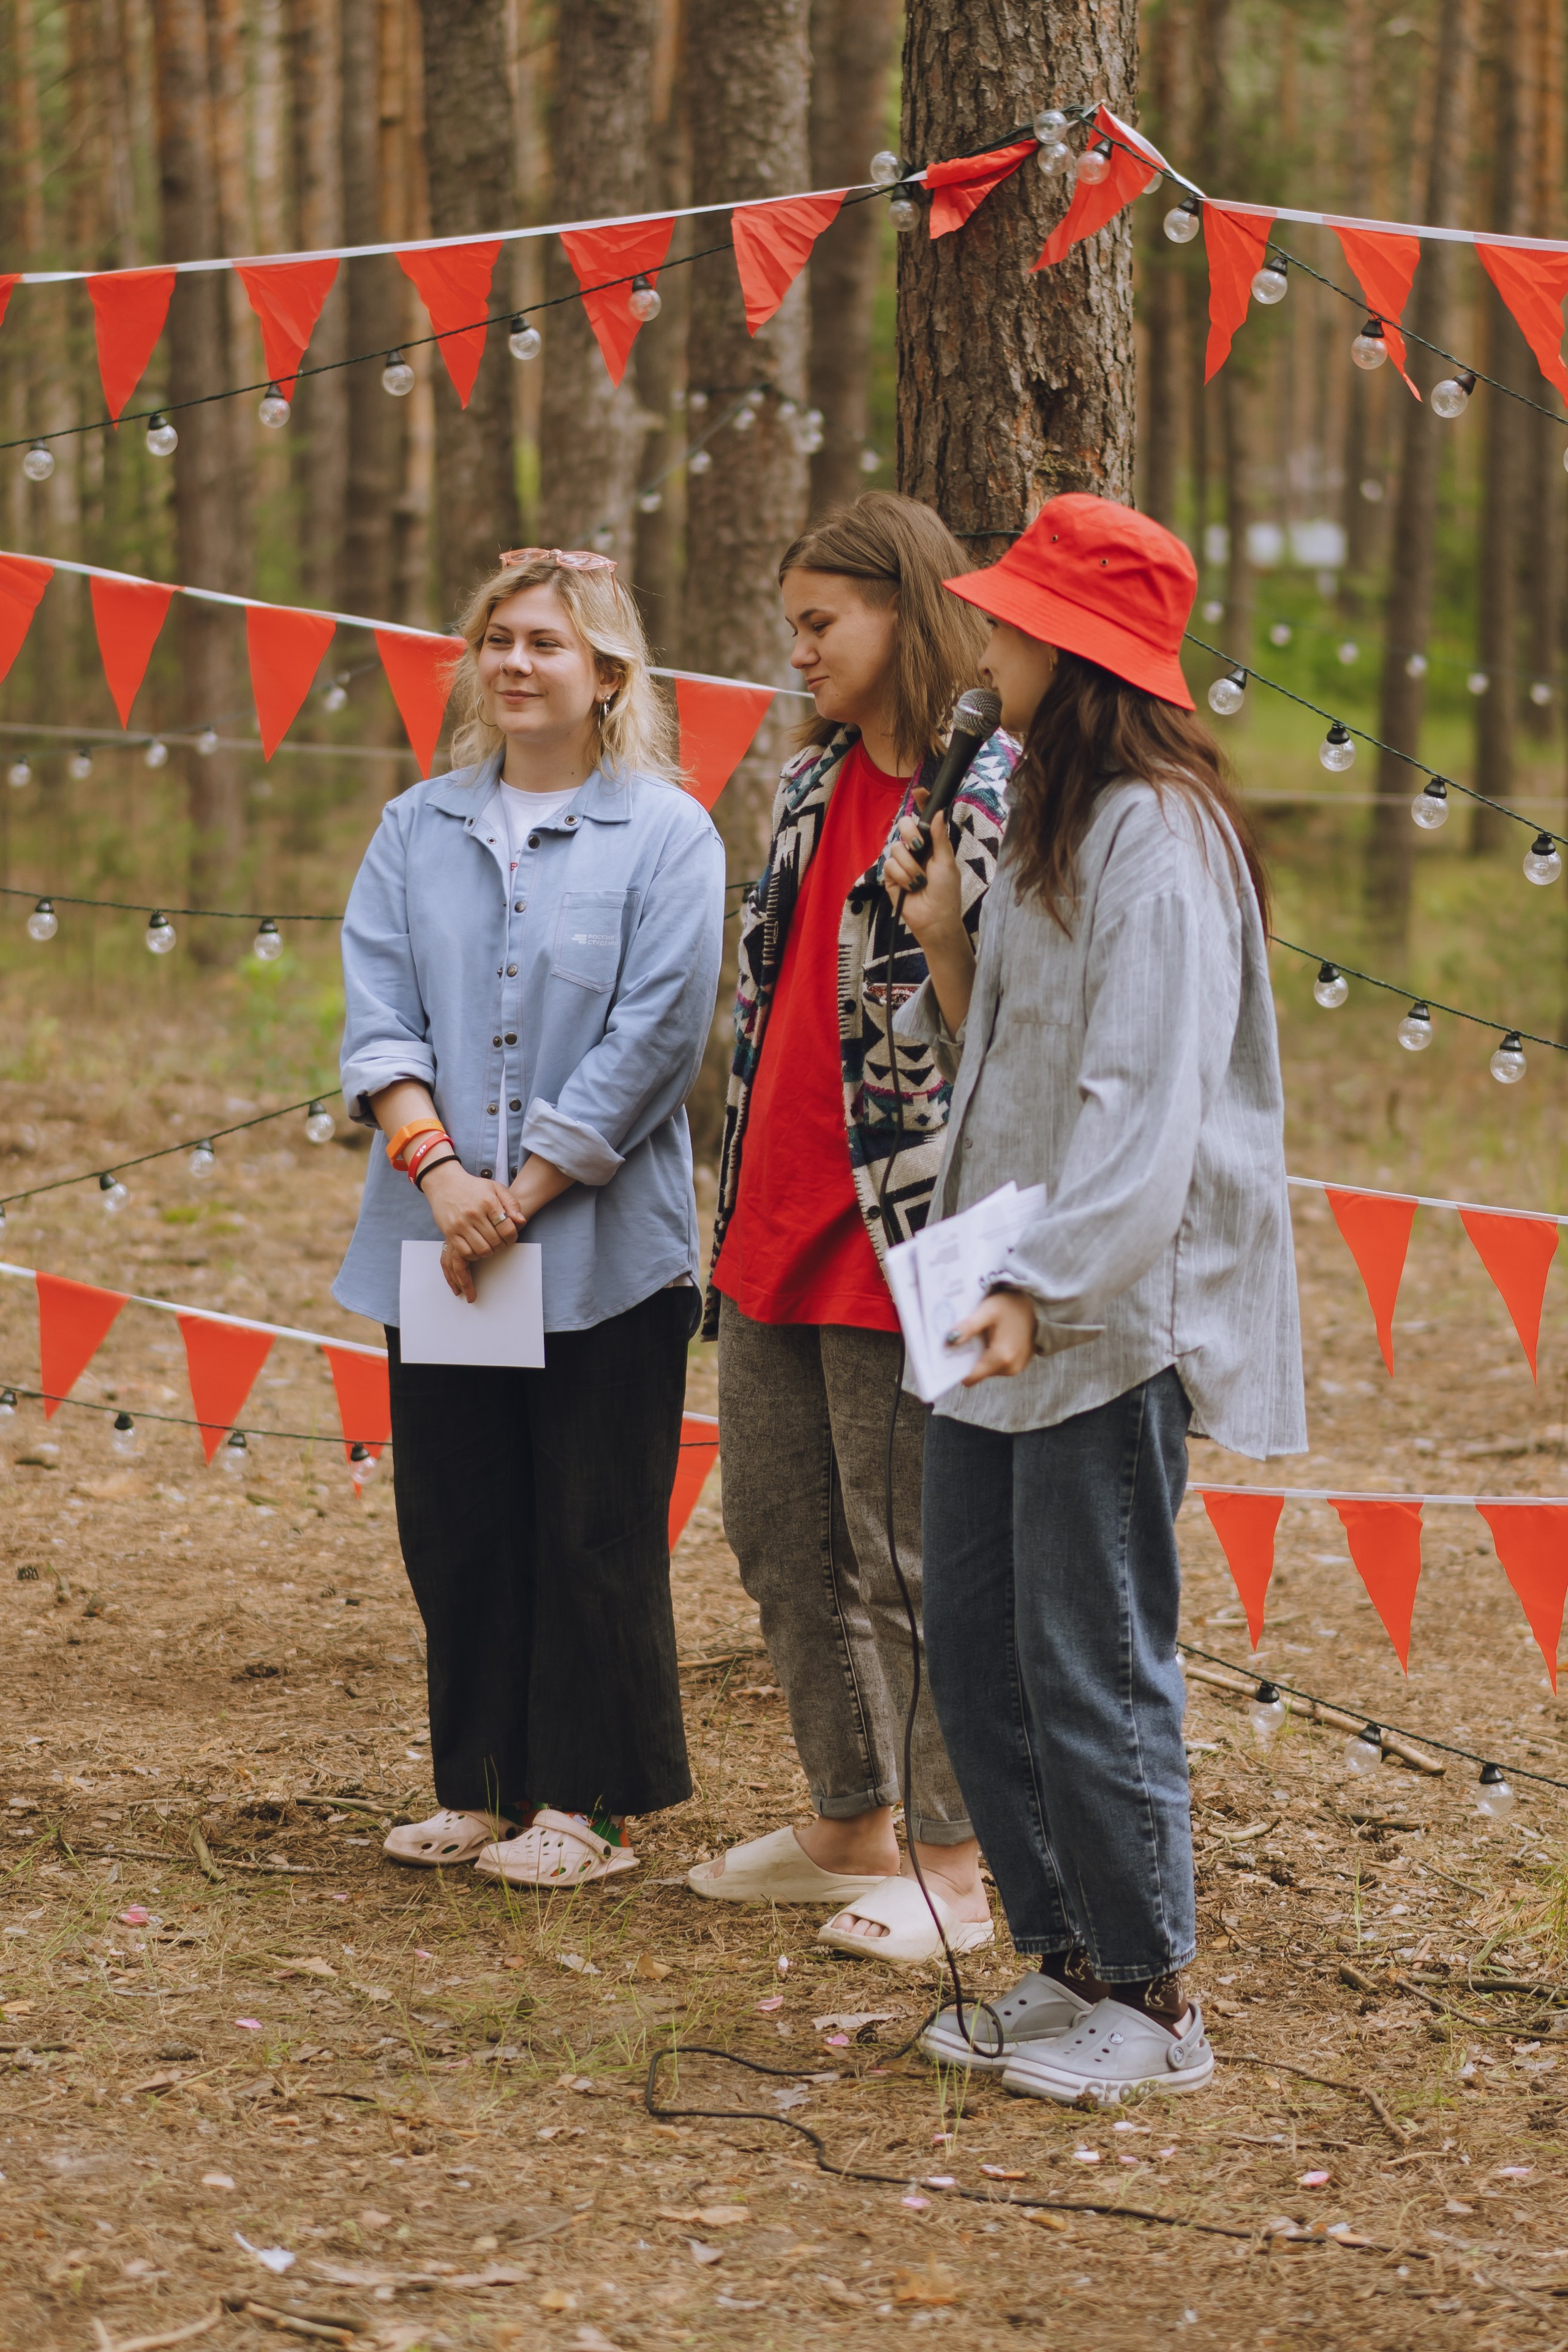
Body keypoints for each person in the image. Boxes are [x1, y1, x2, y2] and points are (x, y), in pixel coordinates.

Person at [883, 494, 1305, 2098]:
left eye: (1008, 620)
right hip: (1007, 1294)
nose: (983, 641)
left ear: (1075, 646)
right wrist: (945, 944)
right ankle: (1062, 1965)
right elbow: (1021, 1061)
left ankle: (1155, 1997)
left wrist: (1044, 1289)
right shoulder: (1055, 818)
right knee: (982, 1647)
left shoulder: (1163, 840)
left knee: (1084, 1650)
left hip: (1100, 1318)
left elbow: (1149, 1108)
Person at [333, 547, 725, 1891]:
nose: (512, 663)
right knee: (461, 1512)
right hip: (444, 1235)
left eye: (544, 644)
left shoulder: (667, 833)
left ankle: (587, 1803)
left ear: (607, 676)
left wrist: (531, 1188)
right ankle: (482, 1789)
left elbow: (658, 1033)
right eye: (496, 639)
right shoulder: (415, 828)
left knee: (592, 1519)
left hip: (603, 1250)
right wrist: (441, 1176)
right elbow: (378, 1014)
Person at [689, 493, 1014, 1967]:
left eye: (822, 621)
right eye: (792, 624)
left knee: (908, 1556)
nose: (800, 650)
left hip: (909, 1230)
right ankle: (847, 1820)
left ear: (906, 608)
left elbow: (1013, 1023)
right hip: (769, 1214)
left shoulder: (991, 789)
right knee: (775, 1534)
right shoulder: (810, 782)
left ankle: (953, 1861)